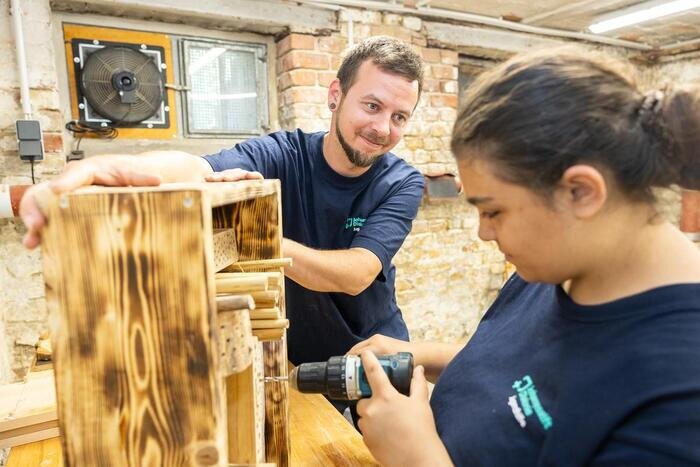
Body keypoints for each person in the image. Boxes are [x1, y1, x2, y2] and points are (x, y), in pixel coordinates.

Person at [347, 48, 700, 466]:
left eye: (494, 211)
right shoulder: (559, 262)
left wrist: (418, 457)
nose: (483, 233)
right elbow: (522, 366)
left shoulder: (679, 390)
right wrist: (416, 354)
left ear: (580, 192)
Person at [20, 36, 425, 368]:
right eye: (372, 106)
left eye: (399, 117)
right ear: (336, 94)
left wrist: (249, 238)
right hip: (297, 358)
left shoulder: (401, 182)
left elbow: (355, 274)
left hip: (376, 354)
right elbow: (195, 167)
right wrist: (105, 167)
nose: (382, 128)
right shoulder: (284, 155)